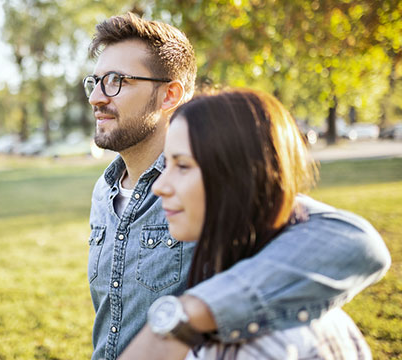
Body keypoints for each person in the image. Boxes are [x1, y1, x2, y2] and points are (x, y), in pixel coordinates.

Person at [84, 13, 390, 360]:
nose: (96, 97)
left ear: (170, 94)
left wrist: (184, 318)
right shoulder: (104, 191)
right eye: (94, 81)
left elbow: (355, 243)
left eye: (115, 80)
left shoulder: (209, 189)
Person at [143, 88, 375, 359]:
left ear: (240, 179)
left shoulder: (262, 344)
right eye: (166, 165)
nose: (159, 187)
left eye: (182, 166)